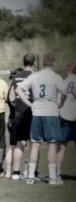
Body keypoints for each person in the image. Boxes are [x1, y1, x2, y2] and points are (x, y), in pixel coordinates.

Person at [16, 53, 66, 185]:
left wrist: (29, 104)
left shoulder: (35, 76)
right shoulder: (55, 77)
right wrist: (61, 103)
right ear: (53, 63)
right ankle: (53, 177)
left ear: (43, 63)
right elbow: (65, 92)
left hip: (37, 111)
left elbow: (18, 89)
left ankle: (30, 176)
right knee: (52, 144)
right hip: (51, 111)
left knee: (35, 144)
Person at [4, 55, 35, 180]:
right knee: (34, 144)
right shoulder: (35, 76)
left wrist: (16, 106)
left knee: (17, 143)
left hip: (18, 114)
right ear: (33, 63)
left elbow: (11, 96)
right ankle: (33, 173)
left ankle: (15, 173)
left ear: (24, 62)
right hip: (32, 112)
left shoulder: (17, 76)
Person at [57, 62, 76, 181]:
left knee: (61, 146)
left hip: (64, 117)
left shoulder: (63, 82)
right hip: (73, 118)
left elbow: (59, 100)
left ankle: (57, 174)